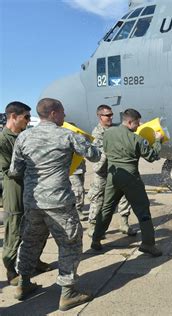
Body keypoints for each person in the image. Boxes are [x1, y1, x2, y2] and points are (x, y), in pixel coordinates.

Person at [9, 98, 101, 310]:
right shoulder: (67, 135)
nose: (64, 116)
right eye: (62, 112)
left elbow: (15, 170)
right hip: (59, 202)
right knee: (70, 242)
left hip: (32, 202)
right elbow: (95, 156)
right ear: (53, 114)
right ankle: (68, 292)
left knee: (30, 242)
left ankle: (23, 284)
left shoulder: (23, 137)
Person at [91, 109, 163, 256]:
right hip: (131, 179)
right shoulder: (136, 139)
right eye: (136, 123)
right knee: (143, 210)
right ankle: (148, 244)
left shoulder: (108, 133)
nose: (138, 127)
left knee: (107, 208)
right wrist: (157, 141)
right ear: (130, 122)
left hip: (113, 176)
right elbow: (152, 156)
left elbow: (105, 149)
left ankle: (96, 239)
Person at [0, 102, 51, 286]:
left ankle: (33, 260)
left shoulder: (24, 136)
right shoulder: (3, 140)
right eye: (26, 117)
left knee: (38, 227)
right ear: (13, 116)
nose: (29, 121)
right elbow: (7, 170)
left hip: (32, 188)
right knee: (14, 230)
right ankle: (11, 270)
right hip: (15, 189)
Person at [87, 105, 136, 237]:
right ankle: (92, 225)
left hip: (118, 169)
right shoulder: (97, 133)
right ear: (100, 116)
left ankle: (124, 223)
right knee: (98, 198)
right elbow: (100, 152)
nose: (111, 117)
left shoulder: (116, 127)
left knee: (125, 196)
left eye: (111, 114)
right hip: (103, 171)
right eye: (107, 115)